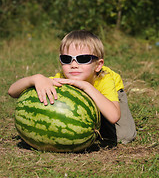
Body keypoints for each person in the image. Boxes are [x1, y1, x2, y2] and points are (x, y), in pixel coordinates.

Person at [8, 30, 136, 145]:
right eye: (67, 59)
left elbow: (114, 116)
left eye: (83, 58)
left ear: (98, 65)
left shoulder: (105, 78)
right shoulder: (61, 78)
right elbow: (12, 91)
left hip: (108, 95)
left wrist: (86, 86)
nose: (74, 64)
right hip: (86, 101)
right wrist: (35, 78)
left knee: (124, 136)